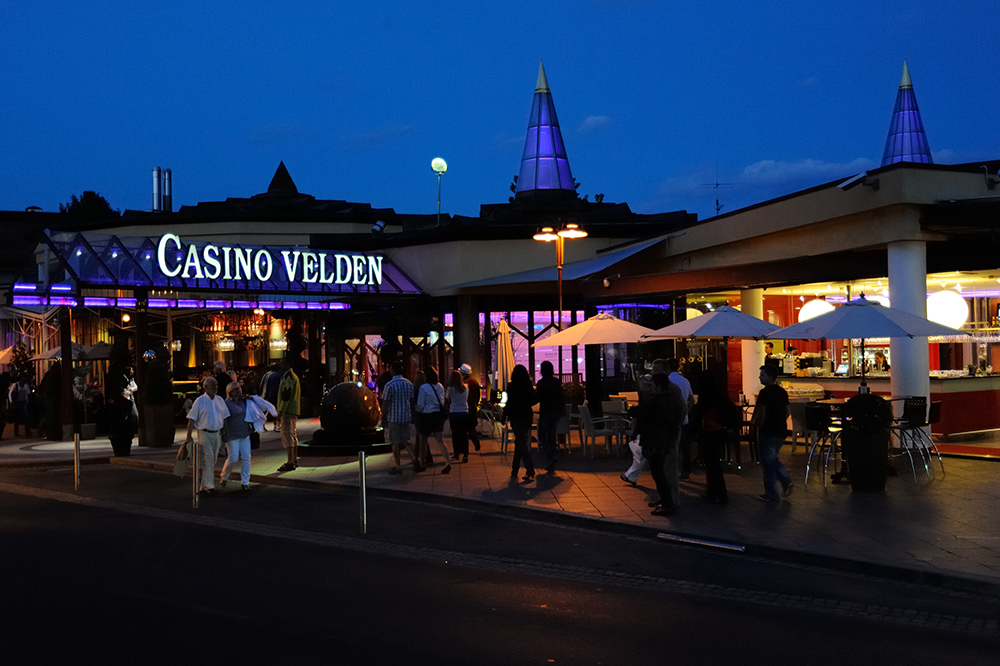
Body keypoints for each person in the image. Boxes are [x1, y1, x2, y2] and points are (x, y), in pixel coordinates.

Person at [637, 372, 687, 516]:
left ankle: (670, 500)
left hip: (663, 437)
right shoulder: (659, 396)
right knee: (661, 470)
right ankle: (665, 499)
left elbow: (681, 408)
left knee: (666, 469)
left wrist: (675, 428)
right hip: (663, 435)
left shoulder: (666, 394)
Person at [692, 371, 738, 504]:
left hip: (709, 431)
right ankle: (716, 491)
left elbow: (699, 413)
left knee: (712, 463)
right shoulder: (720, 395)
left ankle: (717, 492)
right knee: (714, 463)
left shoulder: (706, 397)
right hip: (719, 431)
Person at [621, 358, 667, 485]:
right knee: (643, 457)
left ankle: (666, 496)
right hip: (654, 433)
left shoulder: (650, 398)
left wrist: (636, 430)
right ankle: (631, 476)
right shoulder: (656, 396)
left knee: (646, 458)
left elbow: (641, 414)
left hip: (650, 433)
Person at [752, 364, 793, 502]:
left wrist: (758, 426)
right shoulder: (782, 392)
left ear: (770, 377)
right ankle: (782, 481)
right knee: (773, 458)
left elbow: (761, 413)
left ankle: (775, 490)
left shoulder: (764, 393)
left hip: (768, 430)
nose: (760, 377)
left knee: (767, 462)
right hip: (781, 430)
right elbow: (787, 411)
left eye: (762, 375)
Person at [183, 376, 230, 496]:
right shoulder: (199, 401)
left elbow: (225, 417)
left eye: (216, 385)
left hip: (217, 433)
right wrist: (188, 436)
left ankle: (204, 485)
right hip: (204, 433)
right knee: (208, 458)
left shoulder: (220, 400)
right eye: (212, 385)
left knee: (212, 459)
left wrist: (226, 433)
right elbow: (192, 419)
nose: (215, 387)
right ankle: (209, 486)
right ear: (205, 387)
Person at [380, 360, 422, 474]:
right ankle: (414, 458)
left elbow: (385, 403)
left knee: (395, 443)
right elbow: (411, 400)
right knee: (405, 440)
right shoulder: (408, 383)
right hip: (405, 416)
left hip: (394, 417)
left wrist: (383, 418)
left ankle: (398, 467)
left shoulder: (389, 385)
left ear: (393, 370)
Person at [415, 366, 451, 474]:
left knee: (423, 441)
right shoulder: (440, 386)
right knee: (440, 440)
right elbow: (443, 401)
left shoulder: (423, 387)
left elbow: (421, 405)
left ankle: (422, 464)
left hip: (426, 416)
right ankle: (447, 462)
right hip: (438, 415)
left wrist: (416, 409)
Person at [504, 364, 537, 481]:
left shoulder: (511, 386)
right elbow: (534, 399)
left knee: (521, 442)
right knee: (520, 441)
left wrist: (504, 415)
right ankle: (515, 469)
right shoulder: (528, 386)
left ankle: (529, 468)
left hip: (516, 416)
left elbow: (509, 402)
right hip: (527, 416)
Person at [220, 381, 255, 491]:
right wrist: (224, 433)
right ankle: (224, 476)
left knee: (246, 457)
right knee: (233, 457)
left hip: (244, 431)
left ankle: (245, 482)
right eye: (235, 389)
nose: (238, 391)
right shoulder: (226, 404)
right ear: (229, 392)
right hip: (232, 433)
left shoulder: (244, 401)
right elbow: (224, 419)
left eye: (239, 388)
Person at [667, 358, 695, 480]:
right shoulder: (685, 381)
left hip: (670, 420)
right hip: (684, 419)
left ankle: (671, 471)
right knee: (685, 447)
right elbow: (691, 400)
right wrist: (686, 410)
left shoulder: (667, 381)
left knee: (671, 447)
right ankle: (686, 472)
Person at [535, 360, 563, 474]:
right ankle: (551, 461)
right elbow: (561, 396)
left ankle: (551, 457)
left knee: (542, 436)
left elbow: (538, 397)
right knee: (551, 437)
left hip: (545, 412)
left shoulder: (541, 383)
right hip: (555, 412)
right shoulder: (557, 382)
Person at [276, 356, 301, 472]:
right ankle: (294, 459)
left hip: (288, 410)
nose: (280, 364)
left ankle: (290, 461)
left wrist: (280, 412)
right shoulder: (293, 376)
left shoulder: (288, 377)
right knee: (293, 435)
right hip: (293, 409)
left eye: (282, 362)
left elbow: (286, 396)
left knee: (287, 435)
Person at [445, 369, 471, 463]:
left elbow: (447, 399)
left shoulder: (450, 389)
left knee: (455, 435)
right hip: (464, 412)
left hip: (454, 412)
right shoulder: (466, 388)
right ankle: (465, 454)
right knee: (464, 434)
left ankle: (456, 454)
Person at [459, 363, 482, 453]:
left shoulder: (463, 383)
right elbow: (478, 394)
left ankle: (463, 448)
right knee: (471, 427)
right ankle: (475, 442)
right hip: (473, 408)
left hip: (465, 408)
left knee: (463, 429)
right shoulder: (475, 382)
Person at [260, 362, 282, 431]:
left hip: (268, 395)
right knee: (276, 411)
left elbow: (263, 385)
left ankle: (262, 424)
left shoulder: (267, 375)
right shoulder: (279, 375)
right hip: (276, 395)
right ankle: (277, 425)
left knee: (268, 410)